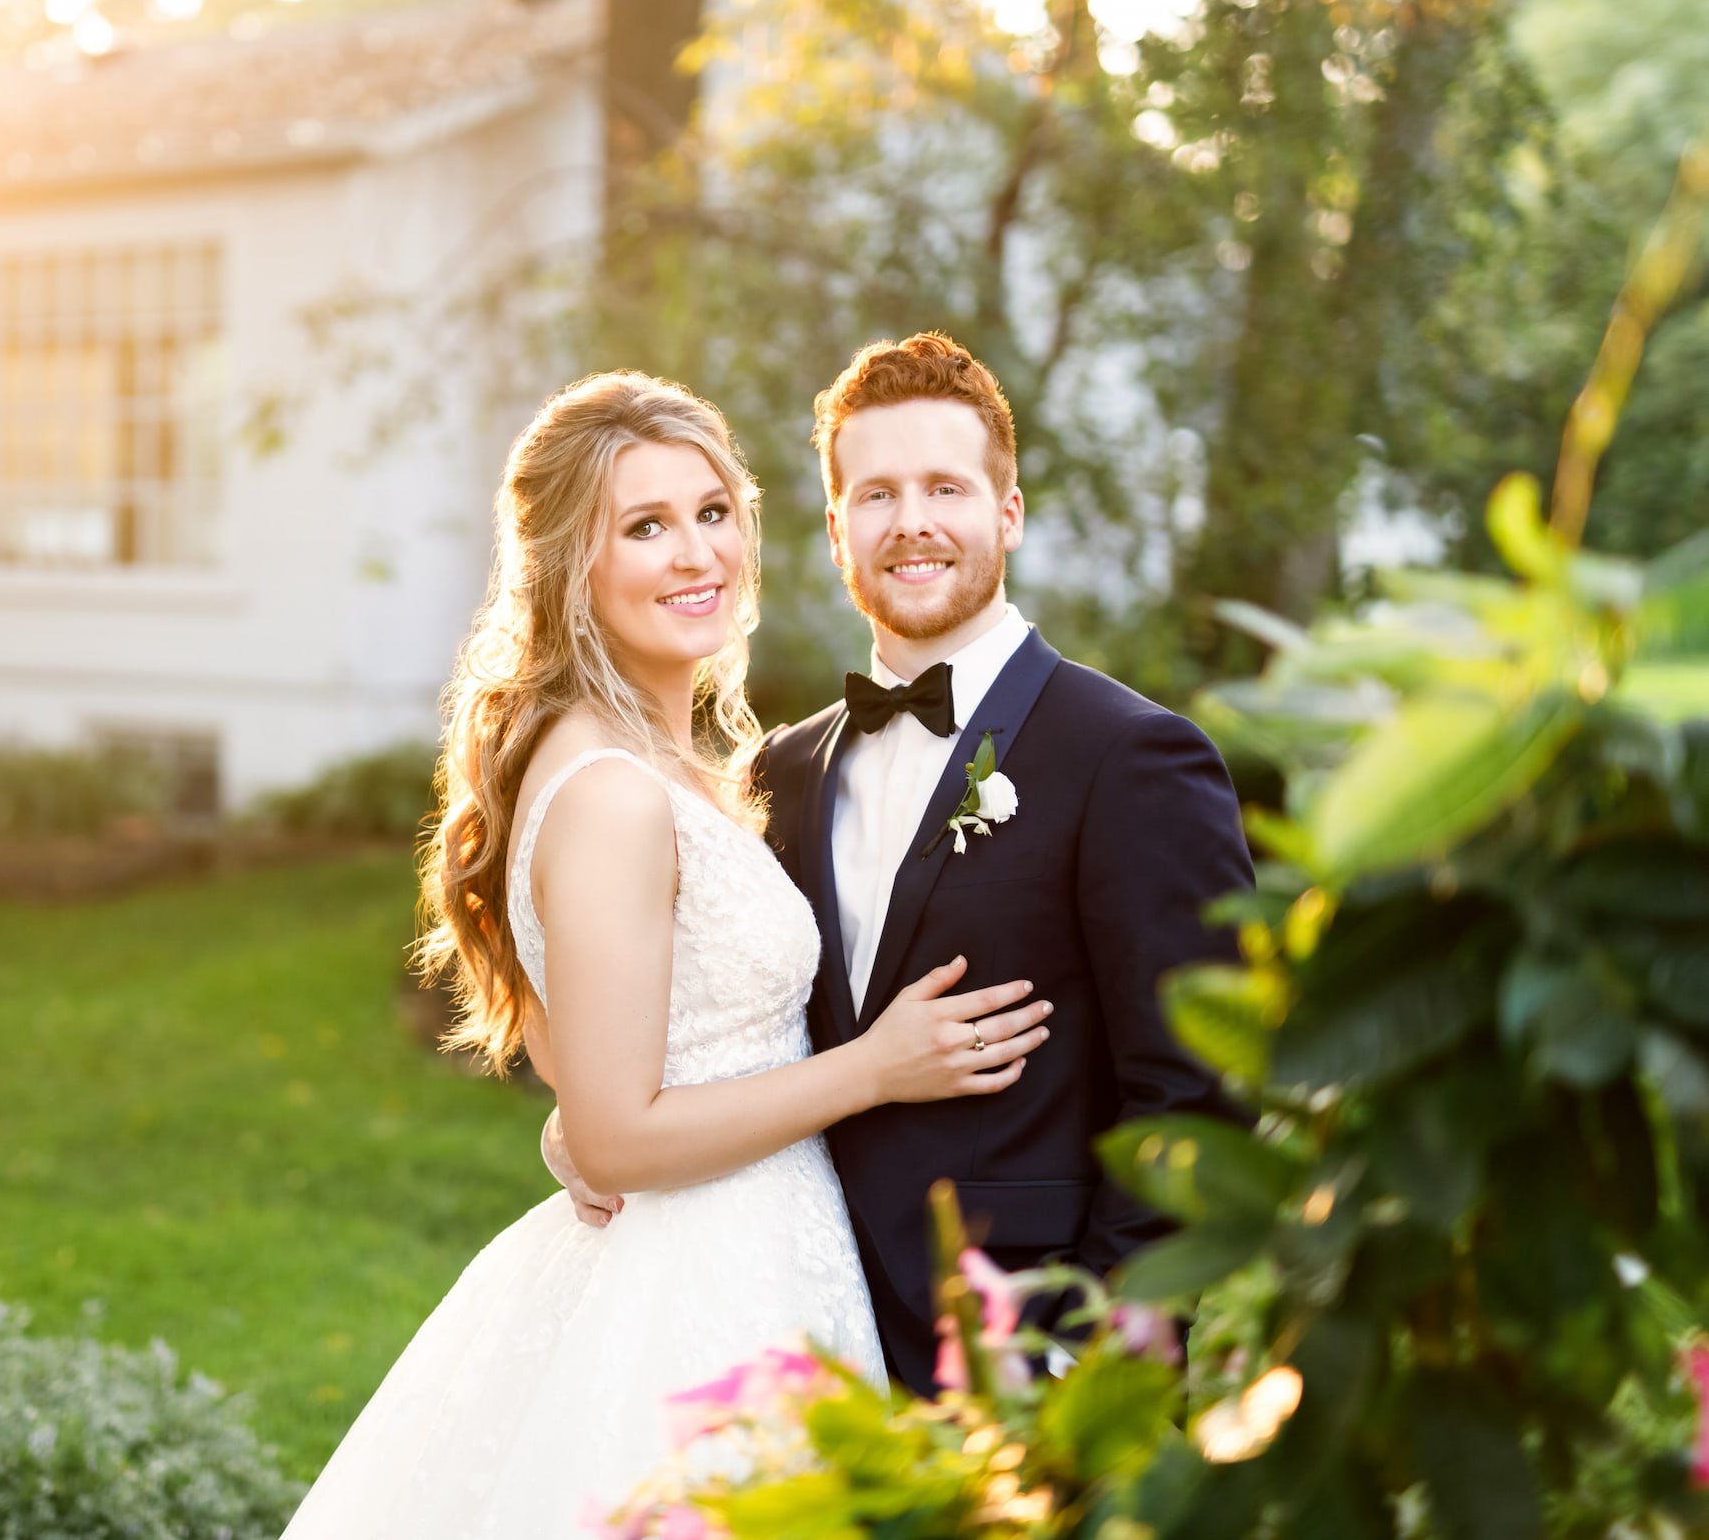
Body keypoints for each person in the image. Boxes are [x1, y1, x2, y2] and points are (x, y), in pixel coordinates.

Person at [281, 371, 1054, 1537]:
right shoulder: (609, 790)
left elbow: (568, 1023)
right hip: (699, 1278)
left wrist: (578, 1107)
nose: (697, 552)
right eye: (643, 526)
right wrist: (874, 1068)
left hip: (748, 1249)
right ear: (568, 566)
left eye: (711, 510)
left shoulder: (648, 758)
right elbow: (616, 1135)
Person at [545, 333, 1252, 1394]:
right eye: (875, 493)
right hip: (798, 1330)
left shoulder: (1129, 756)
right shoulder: (780, 769)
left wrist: (1088, 1361)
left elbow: (1197, 1093)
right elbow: (735, 1019)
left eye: (945, 487)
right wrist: (587, 1127)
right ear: (835, 531)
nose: (911, 522)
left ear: (1005, 512)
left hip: (1026, 1358)